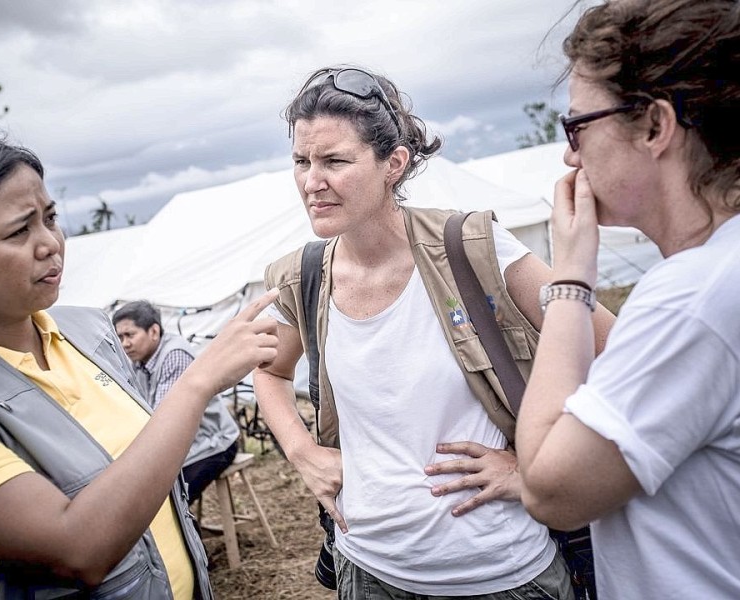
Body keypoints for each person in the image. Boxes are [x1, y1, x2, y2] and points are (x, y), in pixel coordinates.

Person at [253, 65, 614, 599]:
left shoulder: (471, 245)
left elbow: (615, 350)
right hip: (367, 571)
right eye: (302, 161)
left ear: (393, 163)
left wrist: (530, 470)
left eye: (335, 161)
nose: (312, 181)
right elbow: (269, 372)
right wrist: (301, 449)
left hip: (499, 575)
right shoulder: (303, 276)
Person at [0, 126, 279, 599]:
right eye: (20, 230)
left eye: (50, 218)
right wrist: (197, 382)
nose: (50, 243)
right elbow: (77, 550)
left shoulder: (90, 332)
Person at [516, 1, 740, 598]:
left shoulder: (693, 299)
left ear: (653, 126)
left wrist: (571, 278)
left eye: (578, 127)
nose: (570, 155)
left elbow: (548, 488)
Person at [112, 300, 240, 501]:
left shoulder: (174, 355)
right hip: (184, 444)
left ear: (154, 331)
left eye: (130, 335)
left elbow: (164, 421)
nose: (125, 343)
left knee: (166, 498)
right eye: (120, 337)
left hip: (212, 443)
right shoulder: (139, 361)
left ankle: (185, 532)